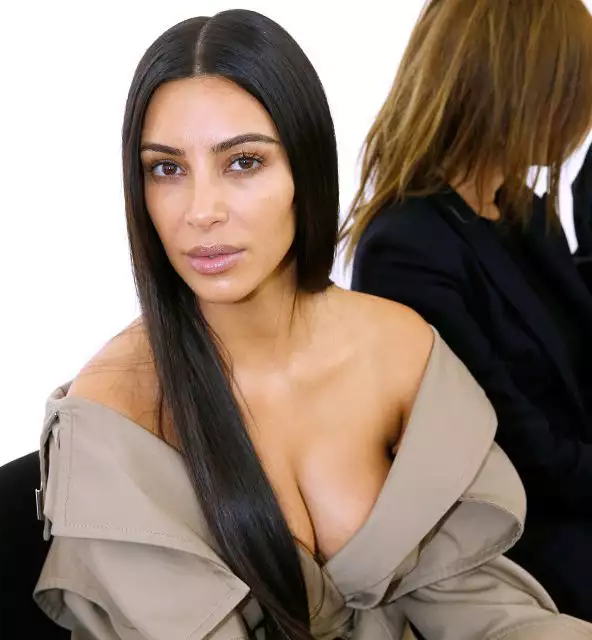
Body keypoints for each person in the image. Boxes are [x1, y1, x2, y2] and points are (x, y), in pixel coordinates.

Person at [33, 9, 592, 639]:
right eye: (167, 168)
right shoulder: (114, 415)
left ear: (306, 167)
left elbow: (483, 611)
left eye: (243, 162)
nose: (201, 210)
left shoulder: (398, 347)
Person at [346, 0, 592, 623]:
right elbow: (519, 451)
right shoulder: (407, 249)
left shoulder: (520, 209)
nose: (583, 113)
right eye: (573, 89)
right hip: (522, 544)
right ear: (520, 88)